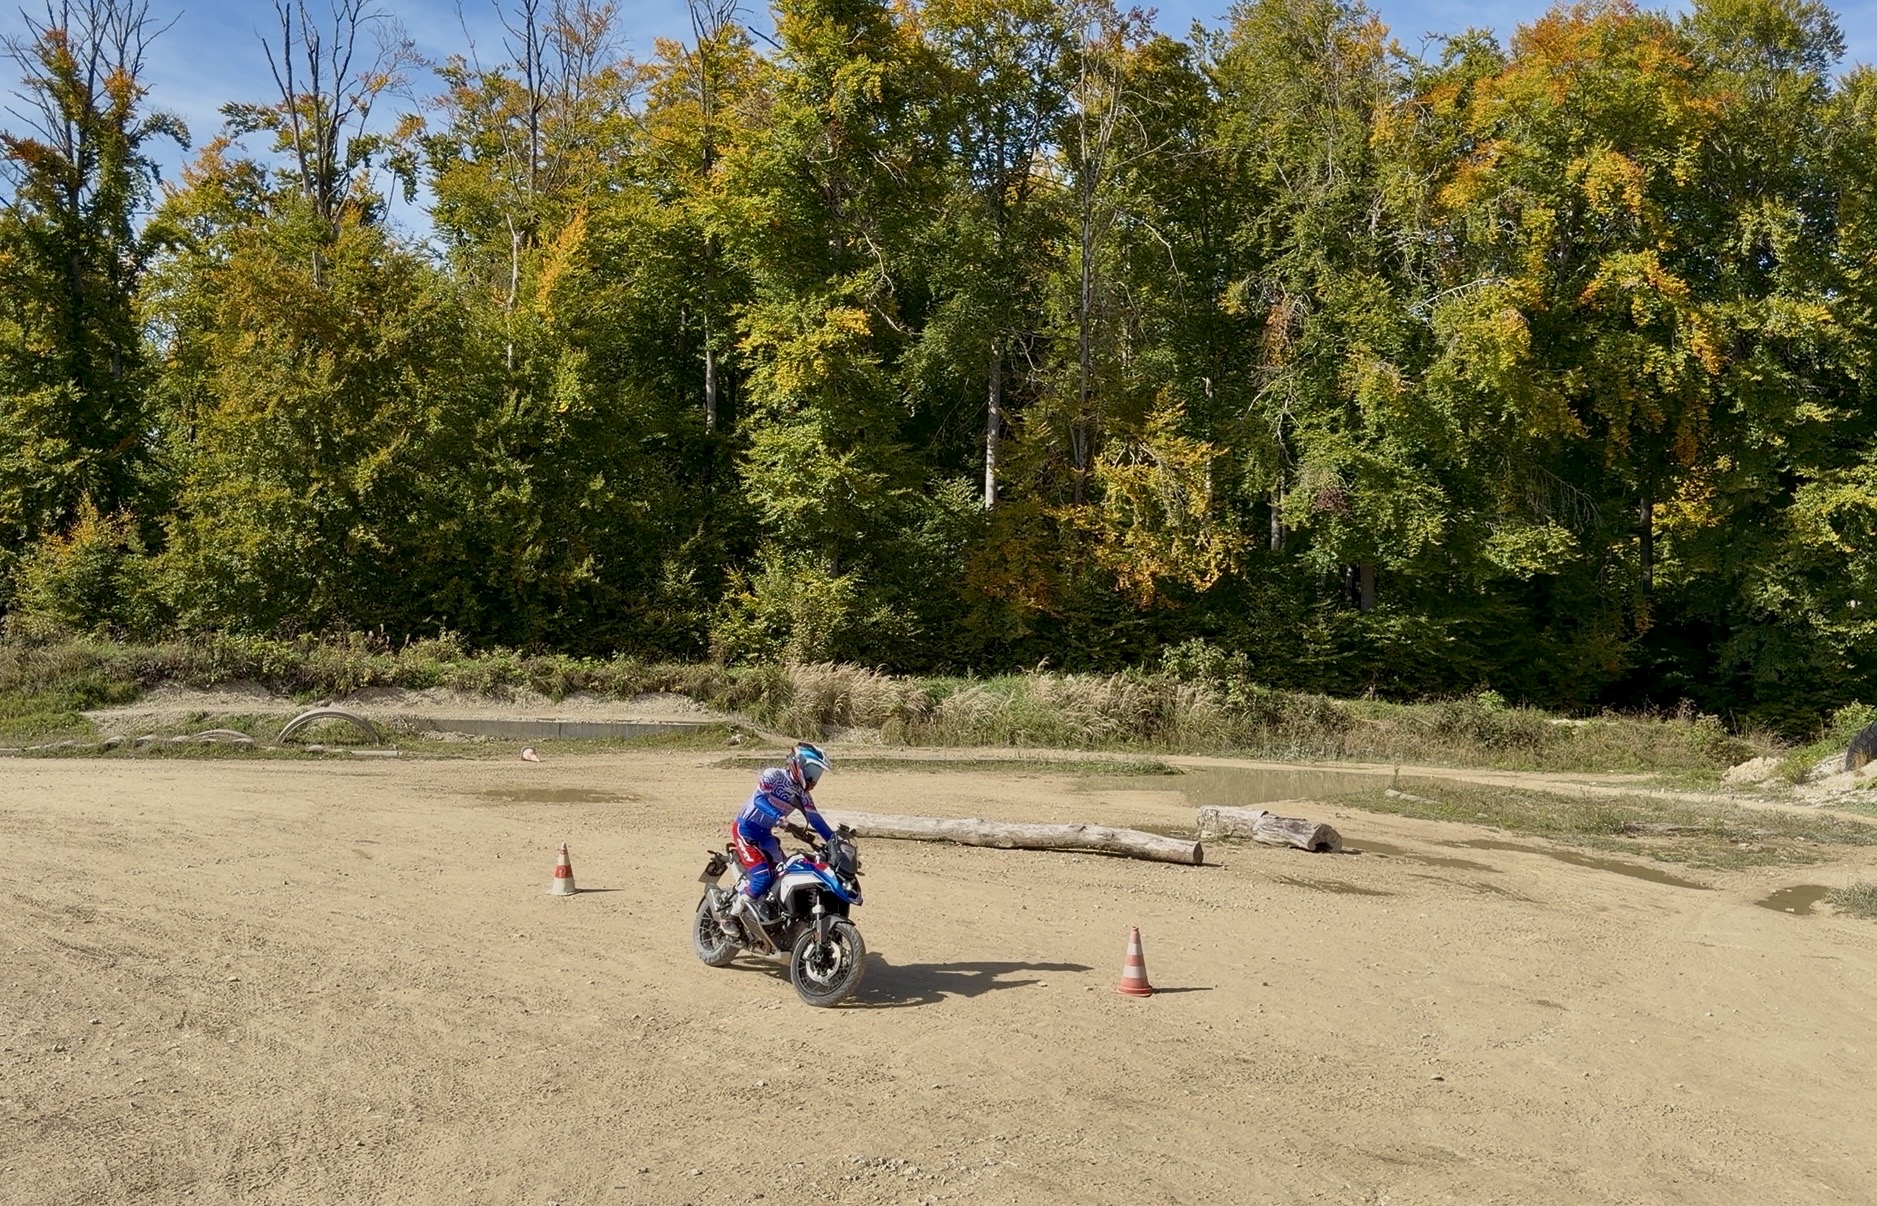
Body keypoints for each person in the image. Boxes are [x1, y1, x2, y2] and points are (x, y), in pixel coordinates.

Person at [721, 742, 834, 933]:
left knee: (784, 873)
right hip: (745, 830)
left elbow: (816, 821)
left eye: (818, 774)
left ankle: (767, 914)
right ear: (799, 765)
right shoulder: (773, 775)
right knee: (762, 877)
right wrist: (779, 818)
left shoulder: (803, 795)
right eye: (812, 771)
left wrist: (836, 842)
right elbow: (759, 799)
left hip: (765, 835)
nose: (814, 779)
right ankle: (730, 916)